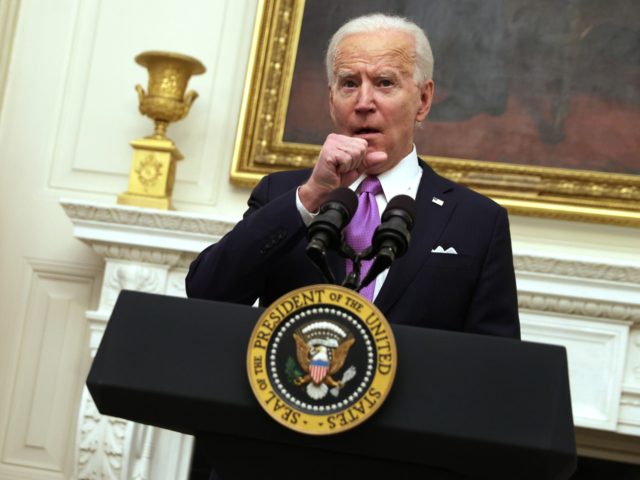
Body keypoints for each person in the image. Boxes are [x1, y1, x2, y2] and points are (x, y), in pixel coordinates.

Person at [186, 13, 520, 339]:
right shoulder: (284, 194)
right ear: (332, 100)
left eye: (385, 83)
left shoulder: (478, 221)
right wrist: (310, 197)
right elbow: (206, 293)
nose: (363, 102)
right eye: (349, 84)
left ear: (423, 99)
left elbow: (497, 366)